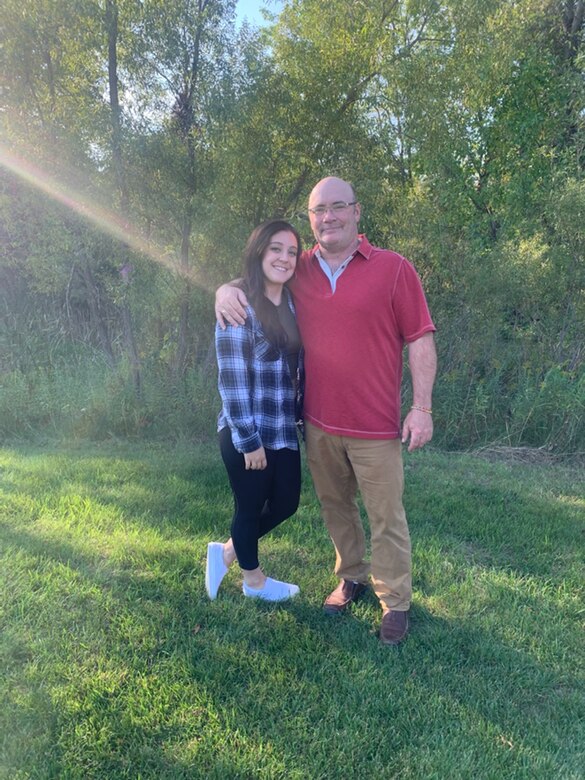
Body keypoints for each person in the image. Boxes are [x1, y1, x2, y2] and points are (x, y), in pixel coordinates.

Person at [216, 177, 437, 644]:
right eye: (319, 210)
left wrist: (421, 407)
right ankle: (351, 577)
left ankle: (395, 602)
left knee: (386, 517)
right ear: (311, 219)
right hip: (317, 423)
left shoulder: (394, 269)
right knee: (337, 510)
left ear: (358, 212)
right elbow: (262, 276)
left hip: (375, 426)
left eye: (339, 207)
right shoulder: (302, 269)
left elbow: (420, 337)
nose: (329, 217)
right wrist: (225, 289)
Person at [206, 219, 304, 603]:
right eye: (276, 248)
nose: (284, 258)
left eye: (292, 251)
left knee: (286, 502)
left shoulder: (294, 300)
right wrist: (248, 441)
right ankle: (254, 581)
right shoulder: (238, 304)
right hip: (246, 429)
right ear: (259, 251)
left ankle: (227, 552)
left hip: (282, 426)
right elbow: (230, 378)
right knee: (248, 507)